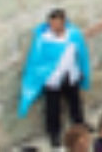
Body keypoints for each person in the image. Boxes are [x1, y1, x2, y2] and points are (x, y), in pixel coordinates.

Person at [19, 9, 91, 148]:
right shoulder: (44, 39)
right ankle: (54, 135)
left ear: (63, 22)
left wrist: (81, 70)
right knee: (53, 109)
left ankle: (80, 127)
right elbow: (37, 60)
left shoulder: (73, 34)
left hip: (71, 75)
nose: (54, 27)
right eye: (51, 24)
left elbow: (80, 53)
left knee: (75, 104)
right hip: (53, 79)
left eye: (57, 23)